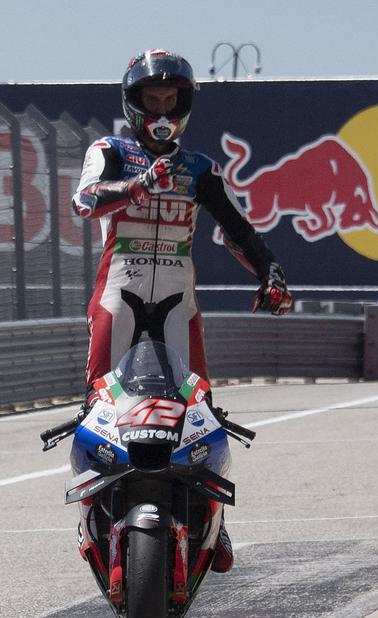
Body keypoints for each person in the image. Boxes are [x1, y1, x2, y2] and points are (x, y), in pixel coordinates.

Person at [71, 49, 294, 574]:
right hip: (117, 297)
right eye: (153, 99)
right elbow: (83, 201)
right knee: (97, 408)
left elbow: (238, 228)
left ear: (185, 103)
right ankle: (91, 513)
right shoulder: (109, 151)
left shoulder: (198, 168)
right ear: (134, 103)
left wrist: (271, 273)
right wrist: (135, 186)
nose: (163, 108)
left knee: (202, 412)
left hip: (178, 301)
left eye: (171, 99)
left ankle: (216, 524)